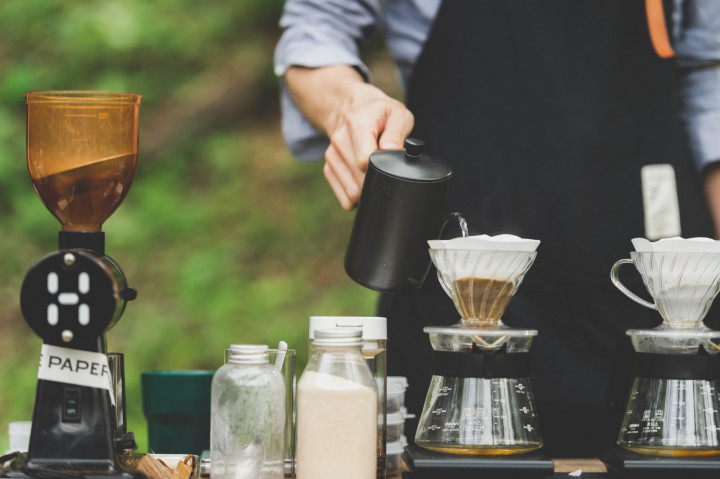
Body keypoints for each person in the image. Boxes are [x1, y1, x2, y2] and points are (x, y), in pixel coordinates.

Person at [274, 0, 720, 457]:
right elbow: (319, 23)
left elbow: (709, 71)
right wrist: (353, 102)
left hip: (646, 274)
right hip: (454, 247)